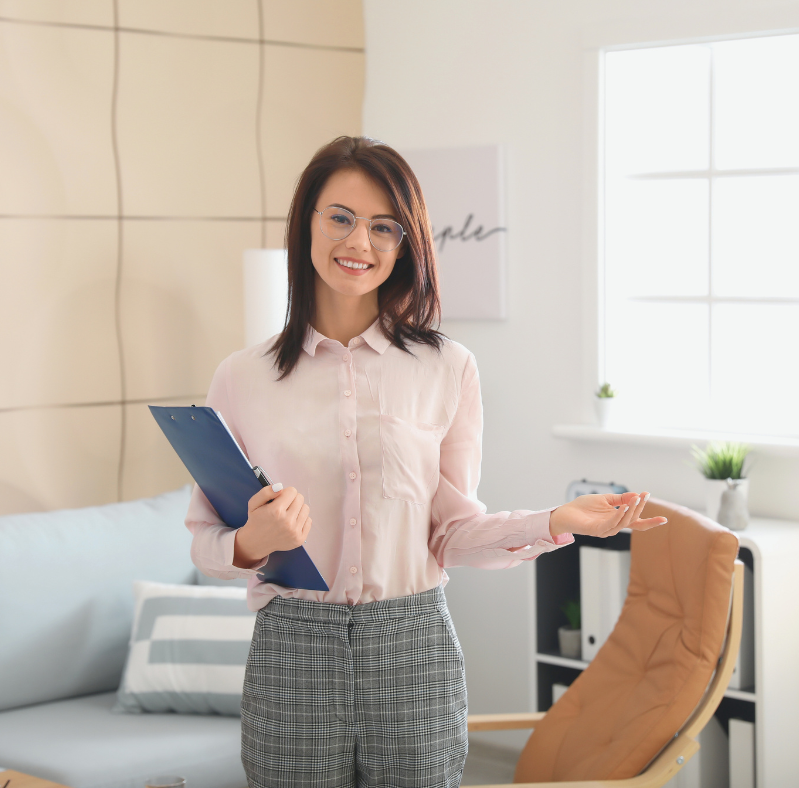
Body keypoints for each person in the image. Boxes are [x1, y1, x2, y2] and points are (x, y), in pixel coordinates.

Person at [185, 136, 668, 788]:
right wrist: (249, 542)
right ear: (306, 224)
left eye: (384, 227)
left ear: (406, 243)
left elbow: (451, 533)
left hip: (414, 649)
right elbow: (205, 543)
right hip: (291, 651)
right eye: (341, 218)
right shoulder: (243, 378)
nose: (360, 242)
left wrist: (557, 520)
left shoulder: (449, 368)